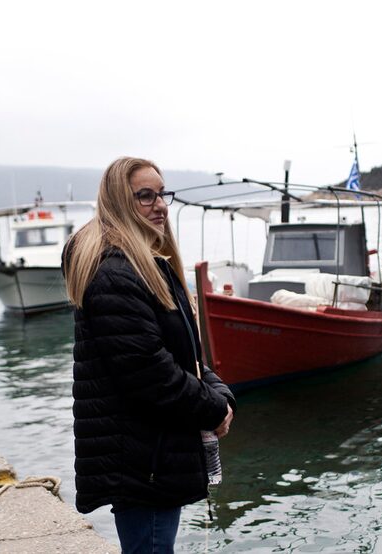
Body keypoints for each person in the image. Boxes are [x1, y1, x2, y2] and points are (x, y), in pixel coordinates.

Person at [62, 157, 236, 553]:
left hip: (149, 451)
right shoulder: (115, 273)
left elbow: (181, 352)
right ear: (119, 202)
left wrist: (220, 395)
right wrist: (211, 409)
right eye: (145, 196)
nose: (160, 205)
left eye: (162, 194)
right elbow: (149, 371)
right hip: (144, 458)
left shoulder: (145, 265)